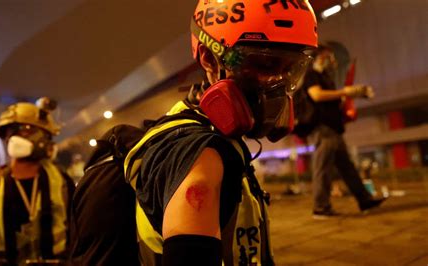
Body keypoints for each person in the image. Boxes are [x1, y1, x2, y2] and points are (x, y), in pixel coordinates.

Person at [122, 1, 318, 265]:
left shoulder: (217, 139)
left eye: (290, 69)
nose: (277, 83)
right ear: (208, 57)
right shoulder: (199, 155)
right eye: (264, 63)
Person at [0, 97, 75, 265]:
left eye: (27, 130)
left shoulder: (62, 183)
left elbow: (79, 233)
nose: (14, 138)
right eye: (12, 131)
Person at [302, 45, 386, 219]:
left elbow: (335, 100)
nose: (332, 60)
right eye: (329, 56)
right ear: (319, 57)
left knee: (348, 168)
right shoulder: (312, 75)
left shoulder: (326, 77)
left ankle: (365, 200)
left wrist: (353, 94)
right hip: (322, 128)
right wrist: (345, 91)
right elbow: (316, 96)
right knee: (322, 168)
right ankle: (320, 207)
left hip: (334, 128)